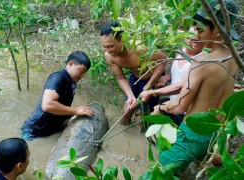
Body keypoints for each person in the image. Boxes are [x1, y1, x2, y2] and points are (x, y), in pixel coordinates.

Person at [154, 0, 239, 174]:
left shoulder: (201, 62)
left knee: (161, 172)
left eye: (200, 30)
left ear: (217, 30)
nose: (197, 37)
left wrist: (160, 108)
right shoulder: (235, 59)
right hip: (216, 133)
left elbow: (179, 107)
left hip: (192, 134)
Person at [100, 22, 167, 125]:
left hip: (151, 79)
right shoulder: (109, 56)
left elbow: (163, 60)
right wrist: (130, 95)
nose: (108, 50)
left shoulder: (140, 48)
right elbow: (120, 77)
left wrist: (149, 86)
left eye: (110, 46)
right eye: (105, 47)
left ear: (122, 40)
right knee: (125, 115)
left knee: (143, 121)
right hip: (135, 79)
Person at [21, 51, 94, 140]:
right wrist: (76, 110)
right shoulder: (57, 78)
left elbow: (63, 104)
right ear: (70, 64)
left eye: (84, 73)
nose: (82, 75)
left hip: (50, 130)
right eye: (81, 71)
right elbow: (47, 105)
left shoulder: (70, 81)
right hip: (33, 132)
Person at [140, 33, 204, 126]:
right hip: (173, 104)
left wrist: (153, 92)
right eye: (188, 38)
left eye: (194, 40)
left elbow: (182, 86)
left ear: (205, 42)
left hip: (187, 110)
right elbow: (176, 71)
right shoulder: (180, 50)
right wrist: (166, 77)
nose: (189, 42)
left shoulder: (200, 60)